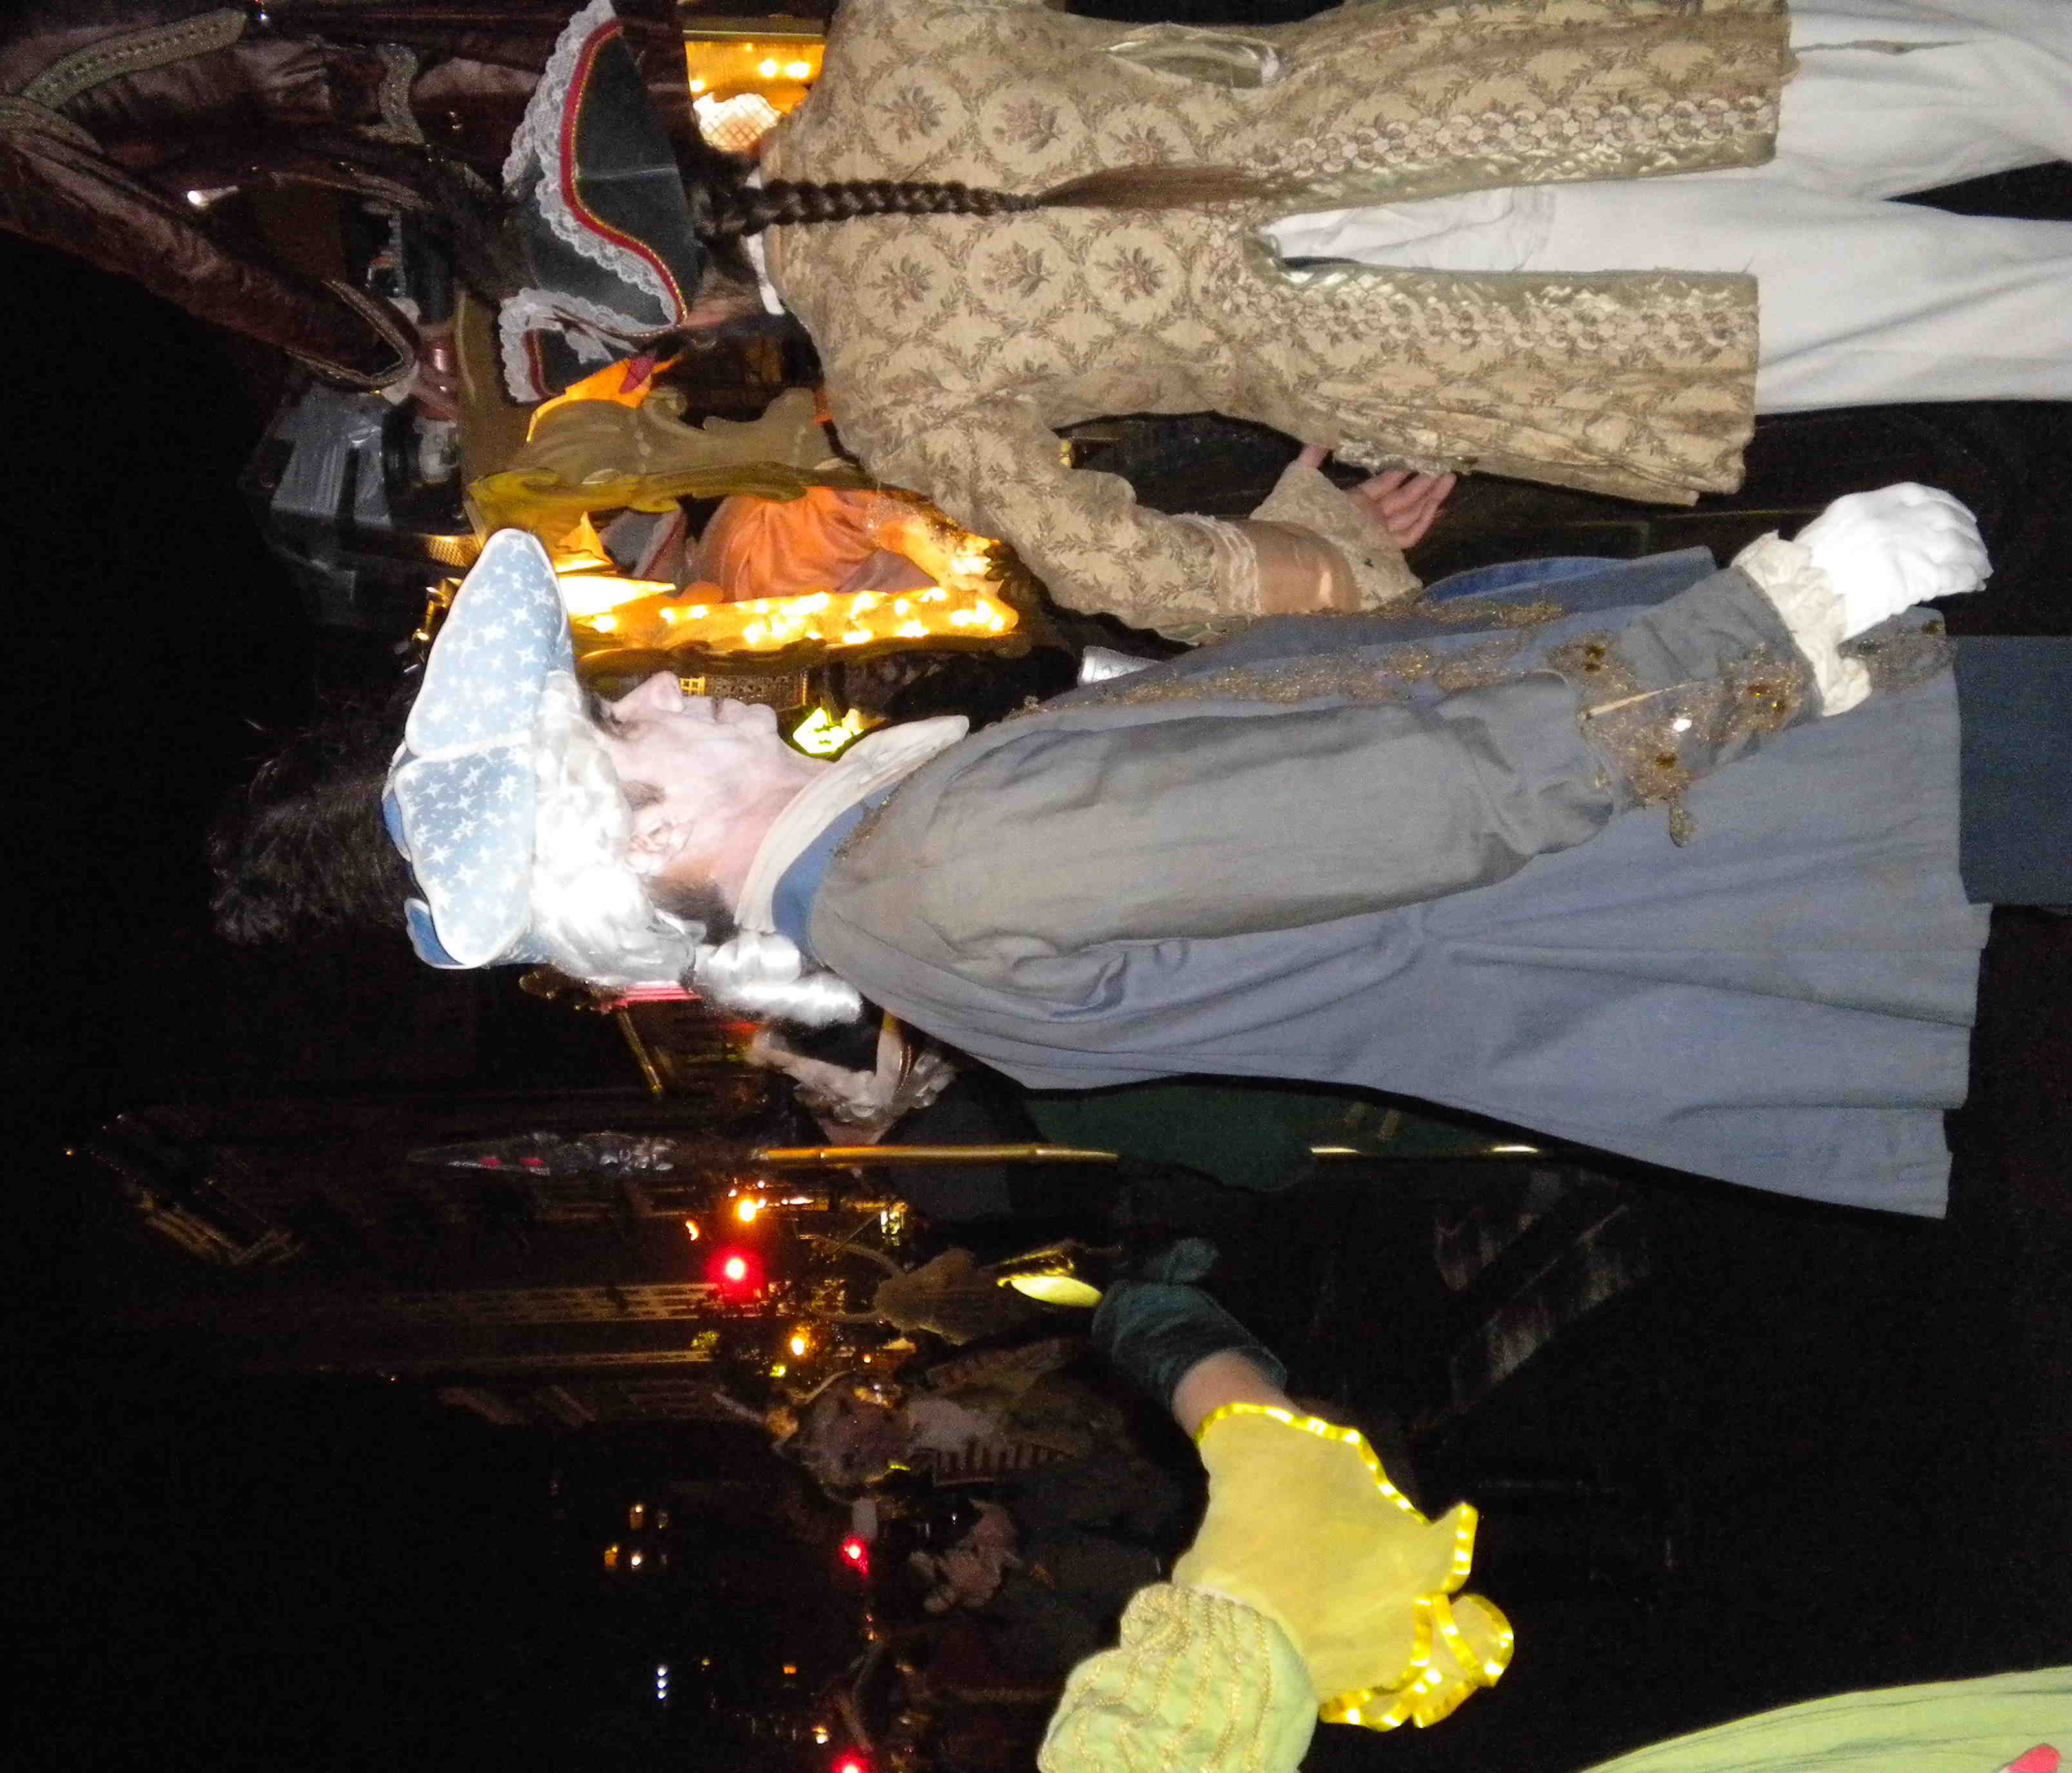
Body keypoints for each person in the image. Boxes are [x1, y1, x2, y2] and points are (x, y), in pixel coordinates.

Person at [210, 481, 2072, 1216]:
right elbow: (1432, 799)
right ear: (661, 828)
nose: (672, 685)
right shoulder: (952, 865)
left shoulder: (907, 883)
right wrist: (1776, 616)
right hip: (1781, 808)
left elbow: (1280, 769)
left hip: (1745, 844)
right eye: (627, 722)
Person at [469, 0, 2069, 640]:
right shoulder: (894, 37)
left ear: (696, 322)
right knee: (1987, 73)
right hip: (1476, 95)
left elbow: (1129, 572)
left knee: (1984, 313)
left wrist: (1326, 543)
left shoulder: (889, 399)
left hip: (1454, 331)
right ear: (695, 130)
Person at [1041, 1273, 2068, 1770]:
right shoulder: (1029, 1614)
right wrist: (1198, 1369)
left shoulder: (1044, 1513)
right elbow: (1231, 1647)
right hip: (1405, 1597)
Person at [0, 1, 693, 405]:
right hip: (397, 30)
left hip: (421, 76)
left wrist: (382, 361)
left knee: (697, 131)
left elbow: (189, 263)